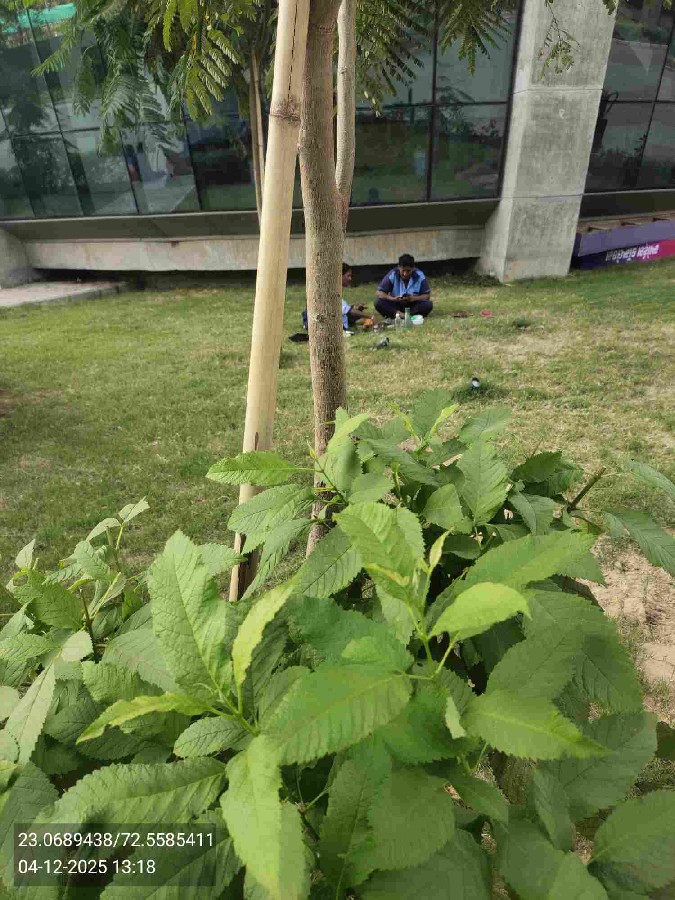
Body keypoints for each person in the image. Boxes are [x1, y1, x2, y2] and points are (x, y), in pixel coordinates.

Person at [302, 264, 370, 331]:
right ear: (339, 276)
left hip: (322, 318)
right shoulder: (330, 289)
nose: (350, 279)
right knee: (354, 313)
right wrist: (371, 316)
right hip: (319, 322)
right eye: (348, 276)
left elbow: (337, 306)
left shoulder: (333, 286)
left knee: (356, 312)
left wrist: (353, 307)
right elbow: (346, 310)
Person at [375, 253, 432, 319]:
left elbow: (427, 295)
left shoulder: (419, 276)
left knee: (428, 304)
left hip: (413, 305)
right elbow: (379, 293)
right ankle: (399, 314)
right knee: (378, 302)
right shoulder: (393, 275)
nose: (405, 274)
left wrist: (414, 298)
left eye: (408, 271)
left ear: (413, 268)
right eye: (403, 270)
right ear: (399, 267)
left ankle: (406, 315)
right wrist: (392, 298)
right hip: (396, 304)